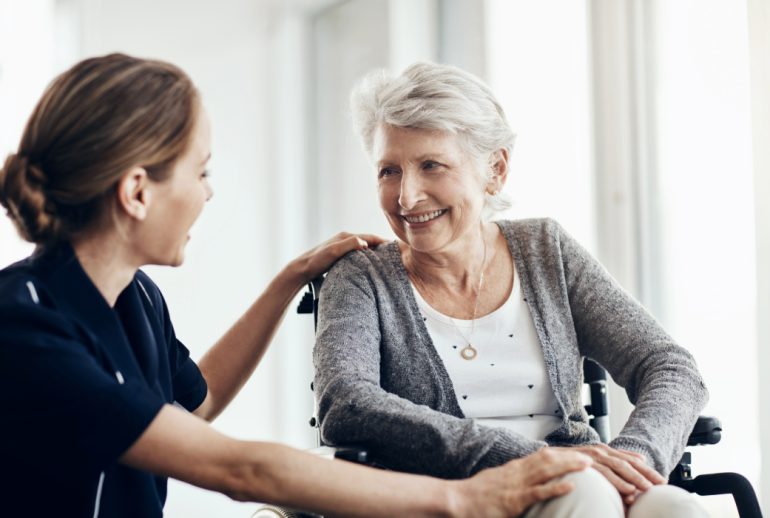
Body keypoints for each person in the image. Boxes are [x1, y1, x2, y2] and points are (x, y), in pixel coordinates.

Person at [0, 53, 594, 518]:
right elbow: (242, 470)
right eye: (200, 170)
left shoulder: (134, 299)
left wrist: (291, 279)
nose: (209, 191)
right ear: (136, 192)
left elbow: (193, 406)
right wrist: (464, 500)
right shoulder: (23, 325)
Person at [312, 62, 710, 517]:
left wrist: (633, 460)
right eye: (389, 171)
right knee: (585, 491)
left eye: (431, 166)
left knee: (677, 507)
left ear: (495, 170)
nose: (407, 197)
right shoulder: (361, 278)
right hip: (449, 502)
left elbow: (670, 367)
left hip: (581, 481)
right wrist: (537, 460)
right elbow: (347, 405)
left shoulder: (546, 251)